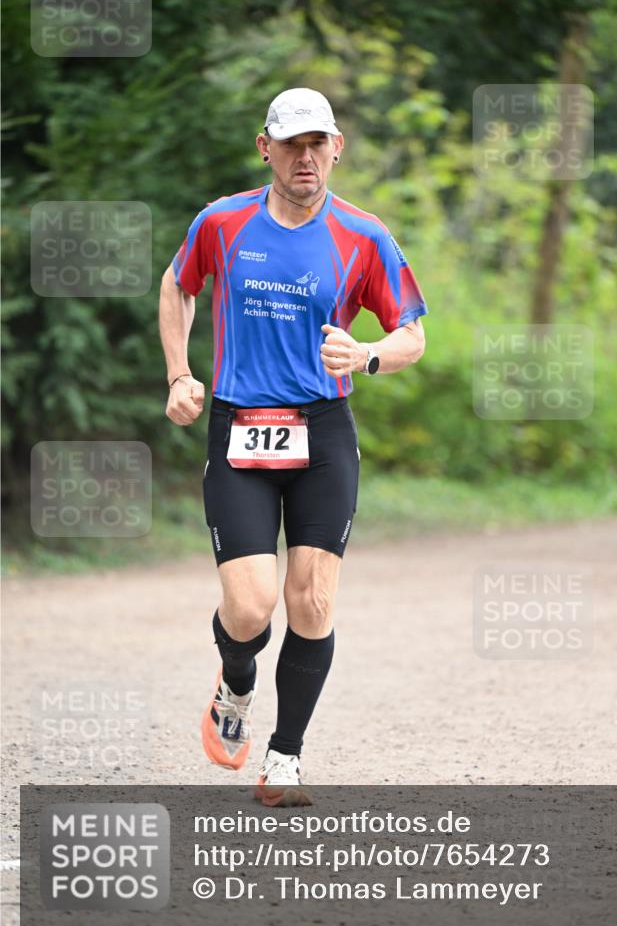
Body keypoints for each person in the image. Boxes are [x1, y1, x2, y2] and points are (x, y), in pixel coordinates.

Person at [159, 87, 427, 807]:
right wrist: (180, 373)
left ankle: (284, 758)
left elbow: (412, 333)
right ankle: (236, 683)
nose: (304, 157)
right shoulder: (222, 221)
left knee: (311, 601)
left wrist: (367, 356)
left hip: (323, 433)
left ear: (336, 147)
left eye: (317, 144)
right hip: (239, 424)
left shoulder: (364, 236)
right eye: (291, 144)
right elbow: (177, 285)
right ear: (265, 149)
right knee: (249, 610)